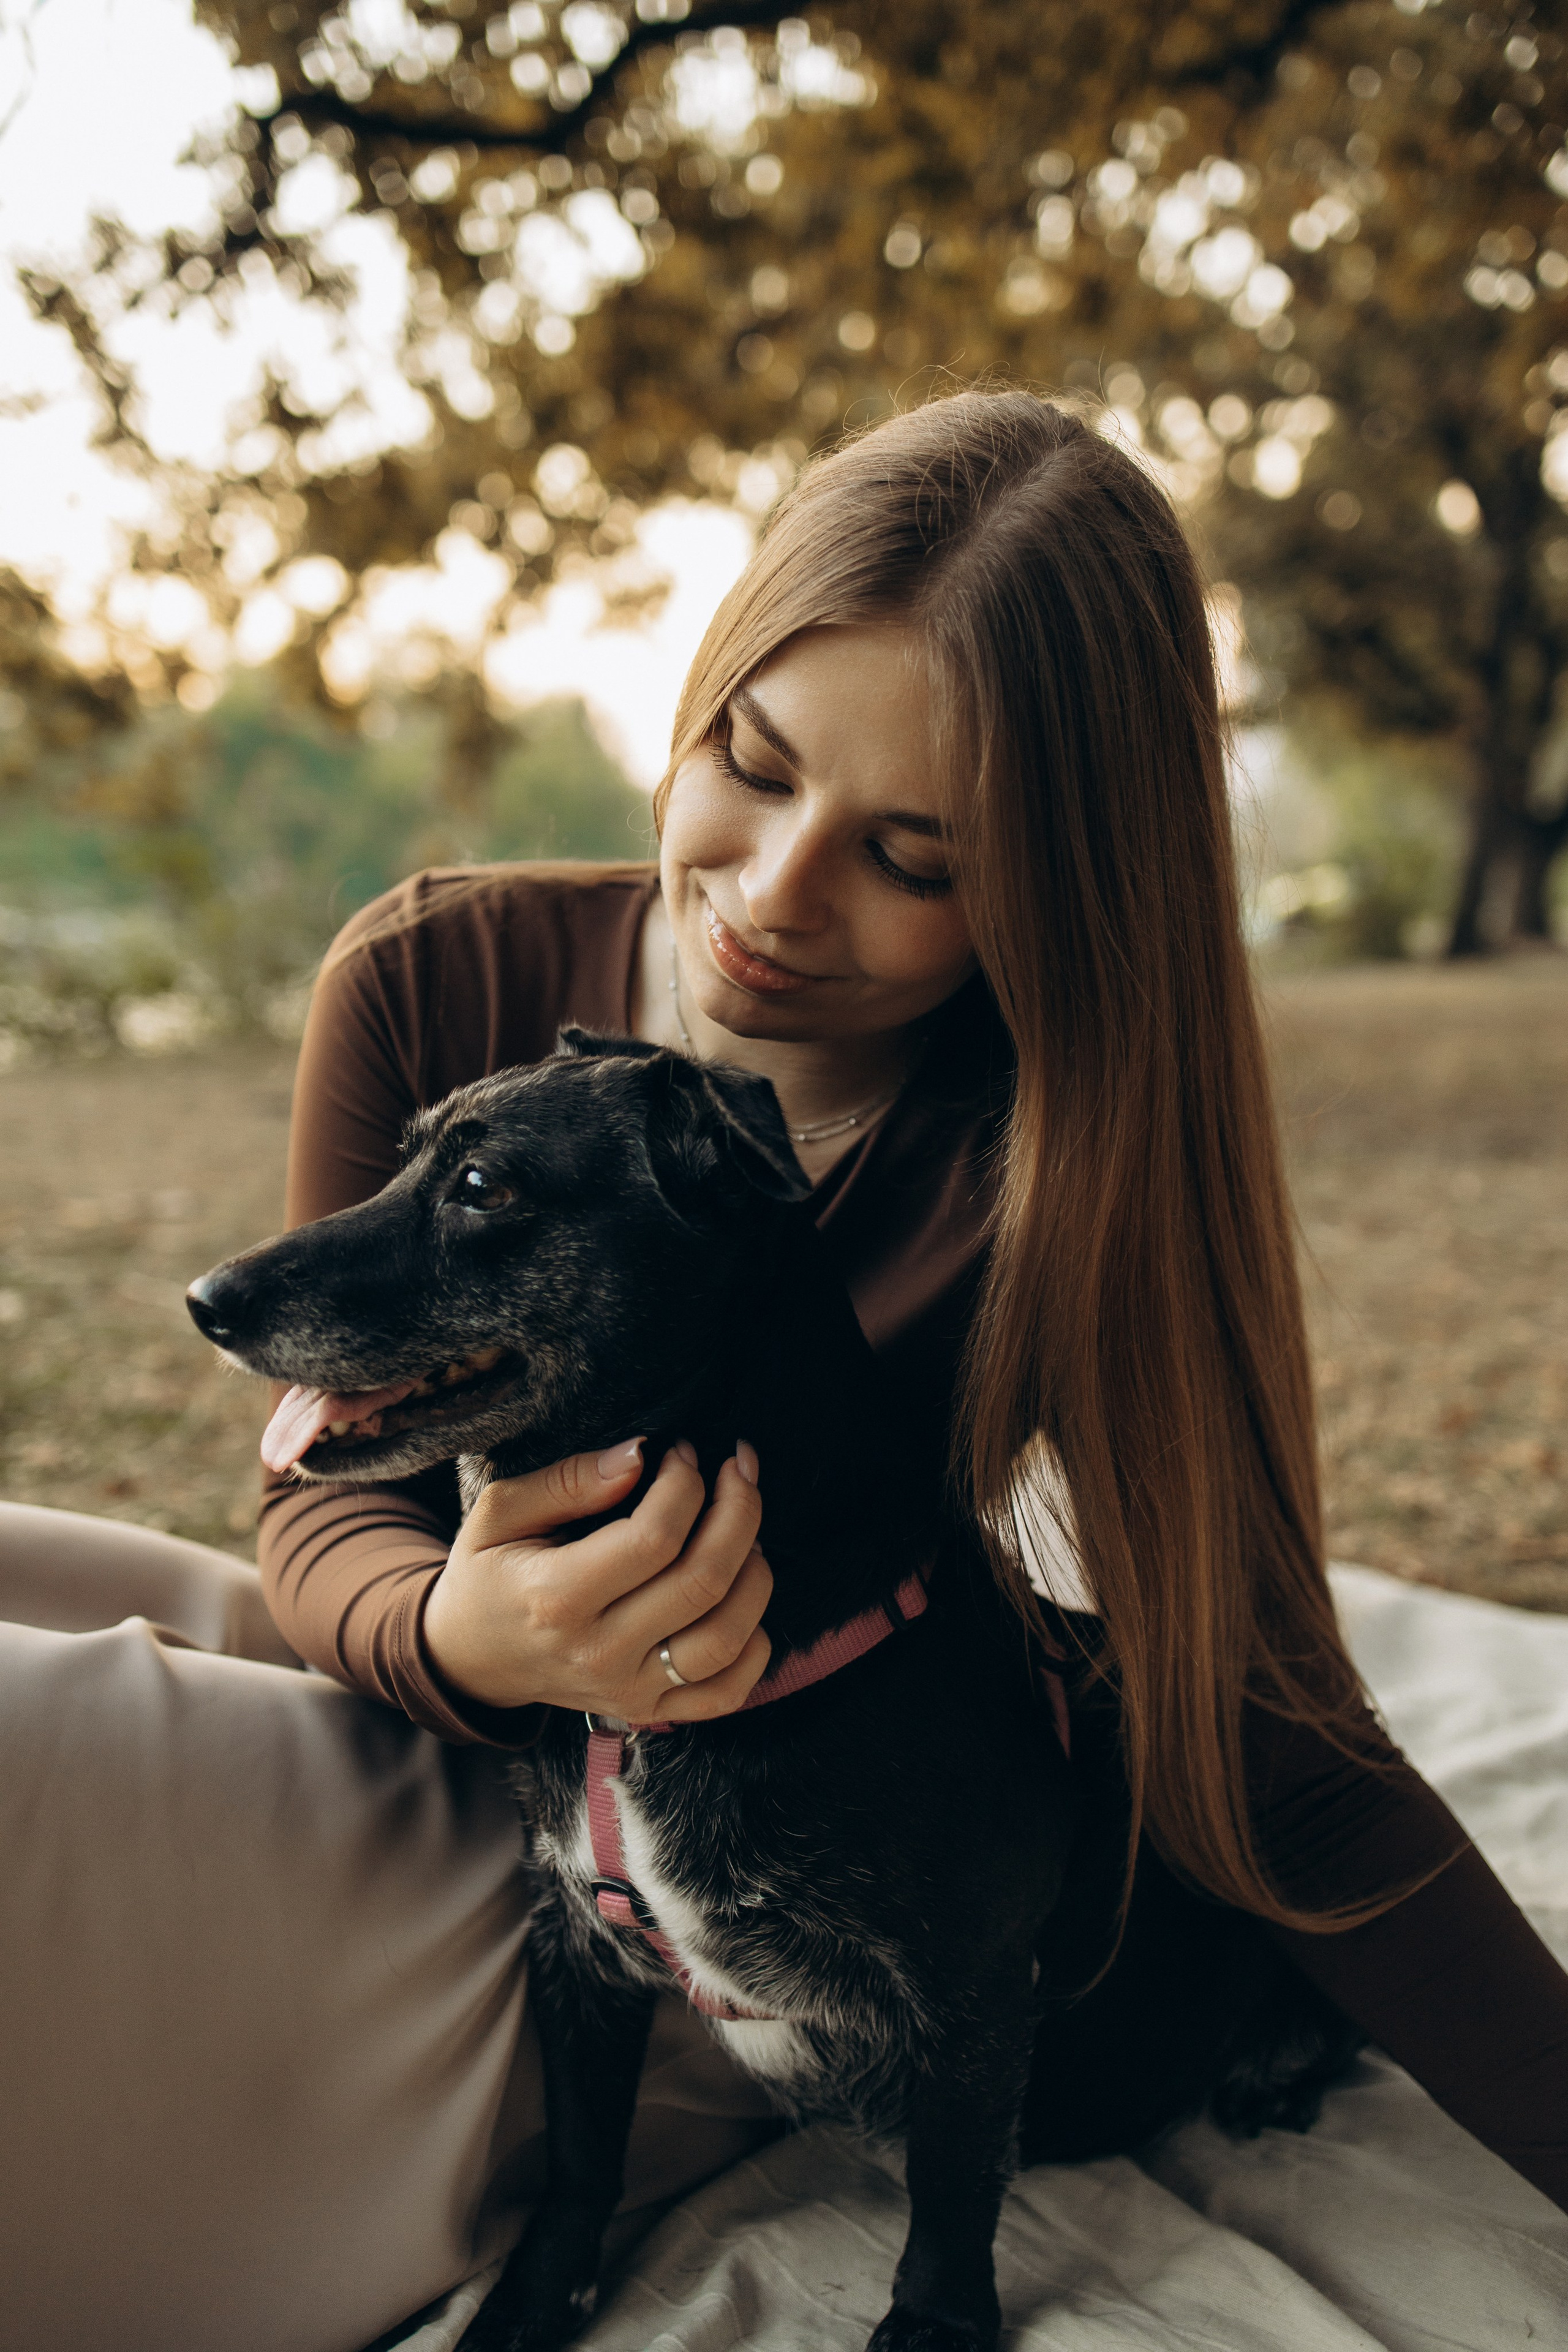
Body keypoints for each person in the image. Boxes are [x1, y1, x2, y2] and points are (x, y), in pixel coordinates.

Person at [2, 391, 1564, 2352]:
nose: (772, 893)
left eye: (912, 857)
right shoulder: (433, 978)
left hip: (710, 1925)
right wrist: (467, 1637)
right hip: (428, 1730)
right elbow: (323, 1507)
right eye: (749, 761)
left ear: (1058, 895)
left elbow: (1275, 1733)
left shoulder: (1056, 1159)